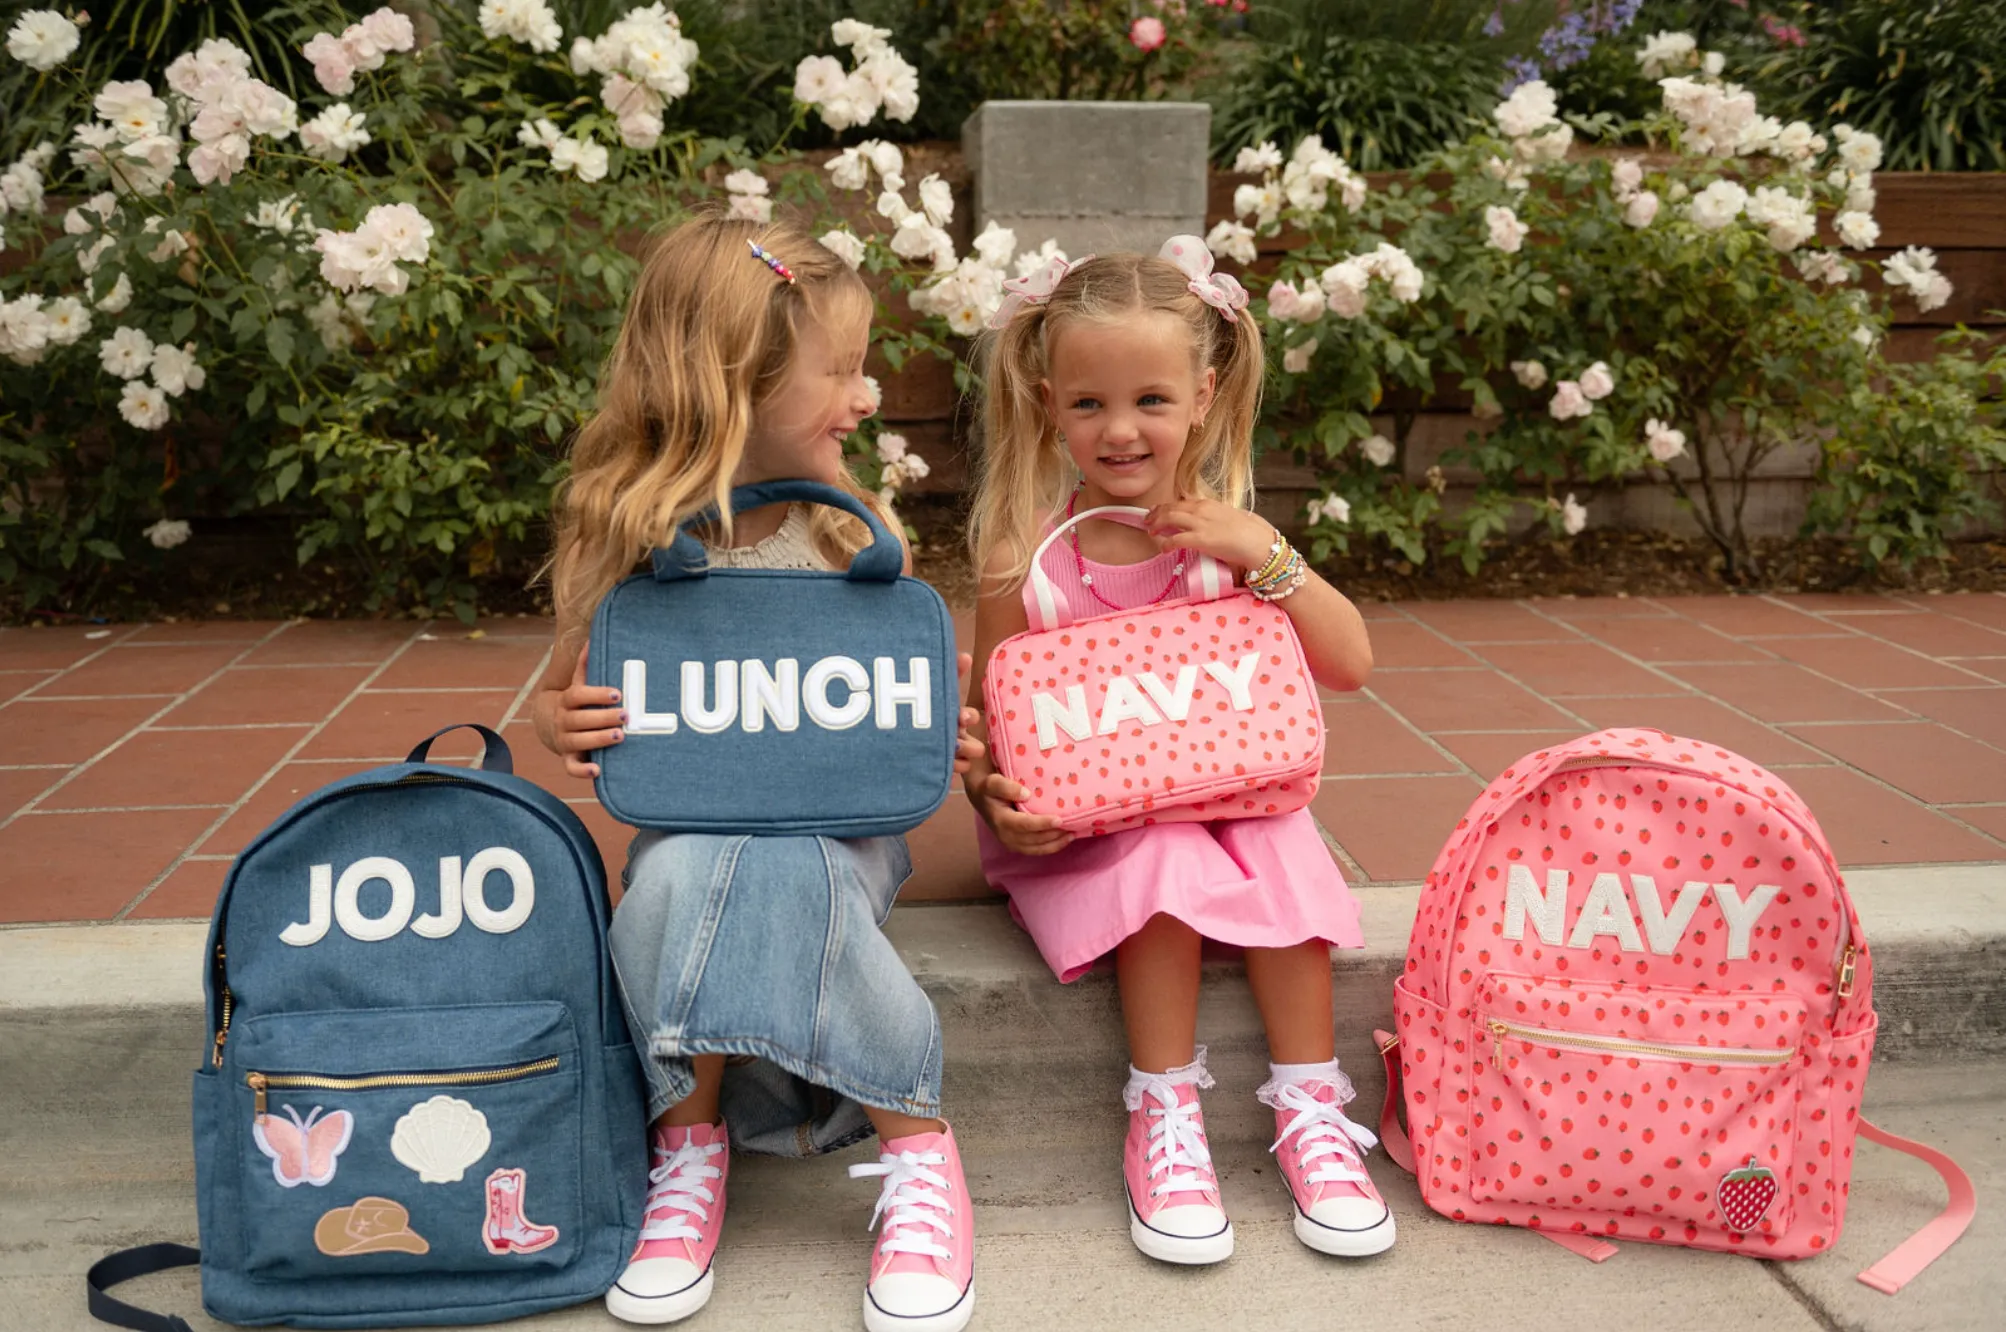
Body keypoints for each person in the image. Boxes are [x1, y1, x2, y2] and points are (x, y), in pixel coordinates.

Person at [533, 212, 979, 1331]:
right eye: (840, 373)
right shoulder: (624, 542)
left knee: (785, 867)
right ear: (734, 387)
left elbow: (894, 716)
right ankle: (692, 1154)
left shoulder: (853, 538)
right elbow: (561, 693)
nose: (867, 397)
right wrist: (563, 721)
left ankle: (914, 1156)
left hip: (845, 837)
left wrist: (941, 731)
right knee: (684, 872)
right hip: (688, 828)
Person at [961, 237, 1391, 1266]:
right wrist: (989, 794)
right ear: (1045, 400)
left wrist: (1265, 554)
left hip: (1230, 797)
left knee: (1281, 836)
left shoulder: (1227, 546)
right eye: (1088, 405)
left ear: (1203, 395)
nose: (1119, 430)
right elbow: (993, 731)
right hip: (1092, 828)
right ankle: (1161, 1114)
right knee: (1163, 859)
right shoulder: (1026, 562)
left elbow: (1351, 663)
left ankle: (1308, 1108)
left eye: (1150, 400)